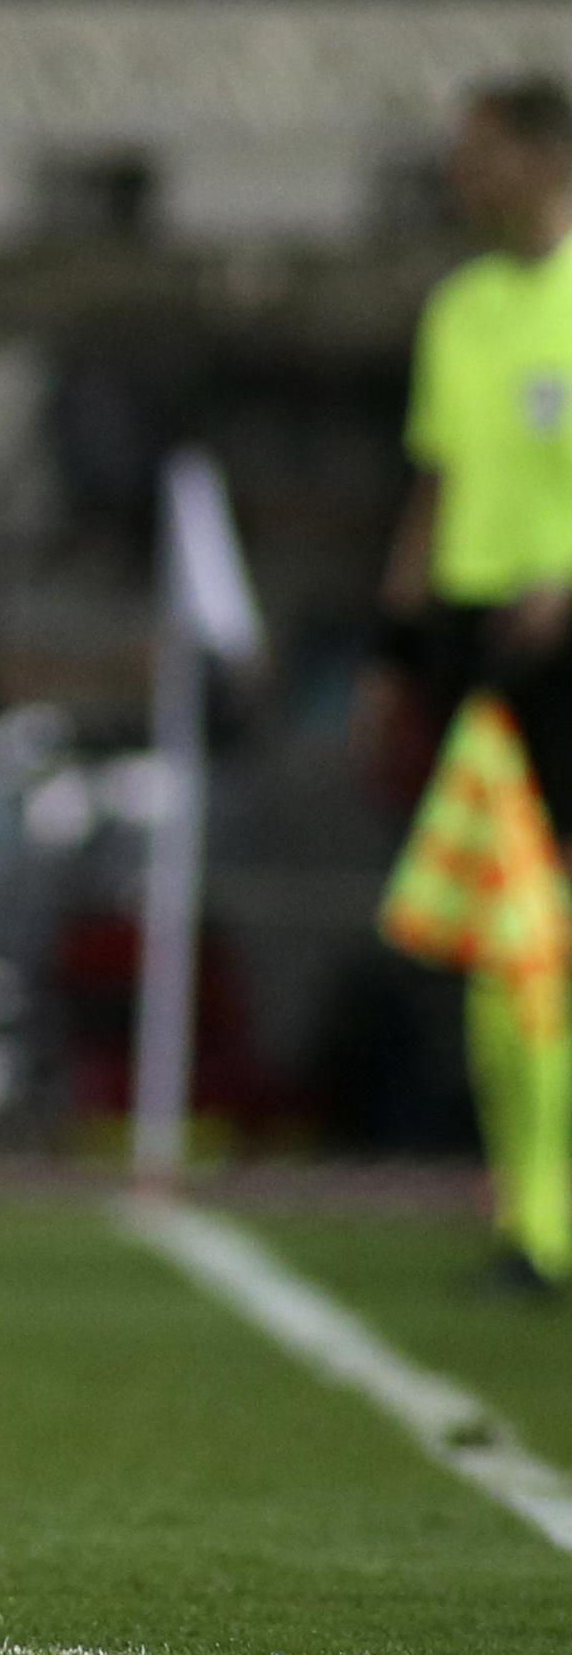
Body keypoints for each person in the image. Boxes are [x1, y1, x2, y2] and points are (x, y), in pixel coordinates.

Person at [370, 76, 572, 1294]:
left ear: (544, 153)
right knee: (513, 939)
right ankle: (533, 1218)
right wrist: (395, 652)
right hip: (483, 655)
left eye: (479, 150)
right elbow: (436, 485)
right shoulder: (462, 308)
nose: (460, 173)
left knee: (539, 937)